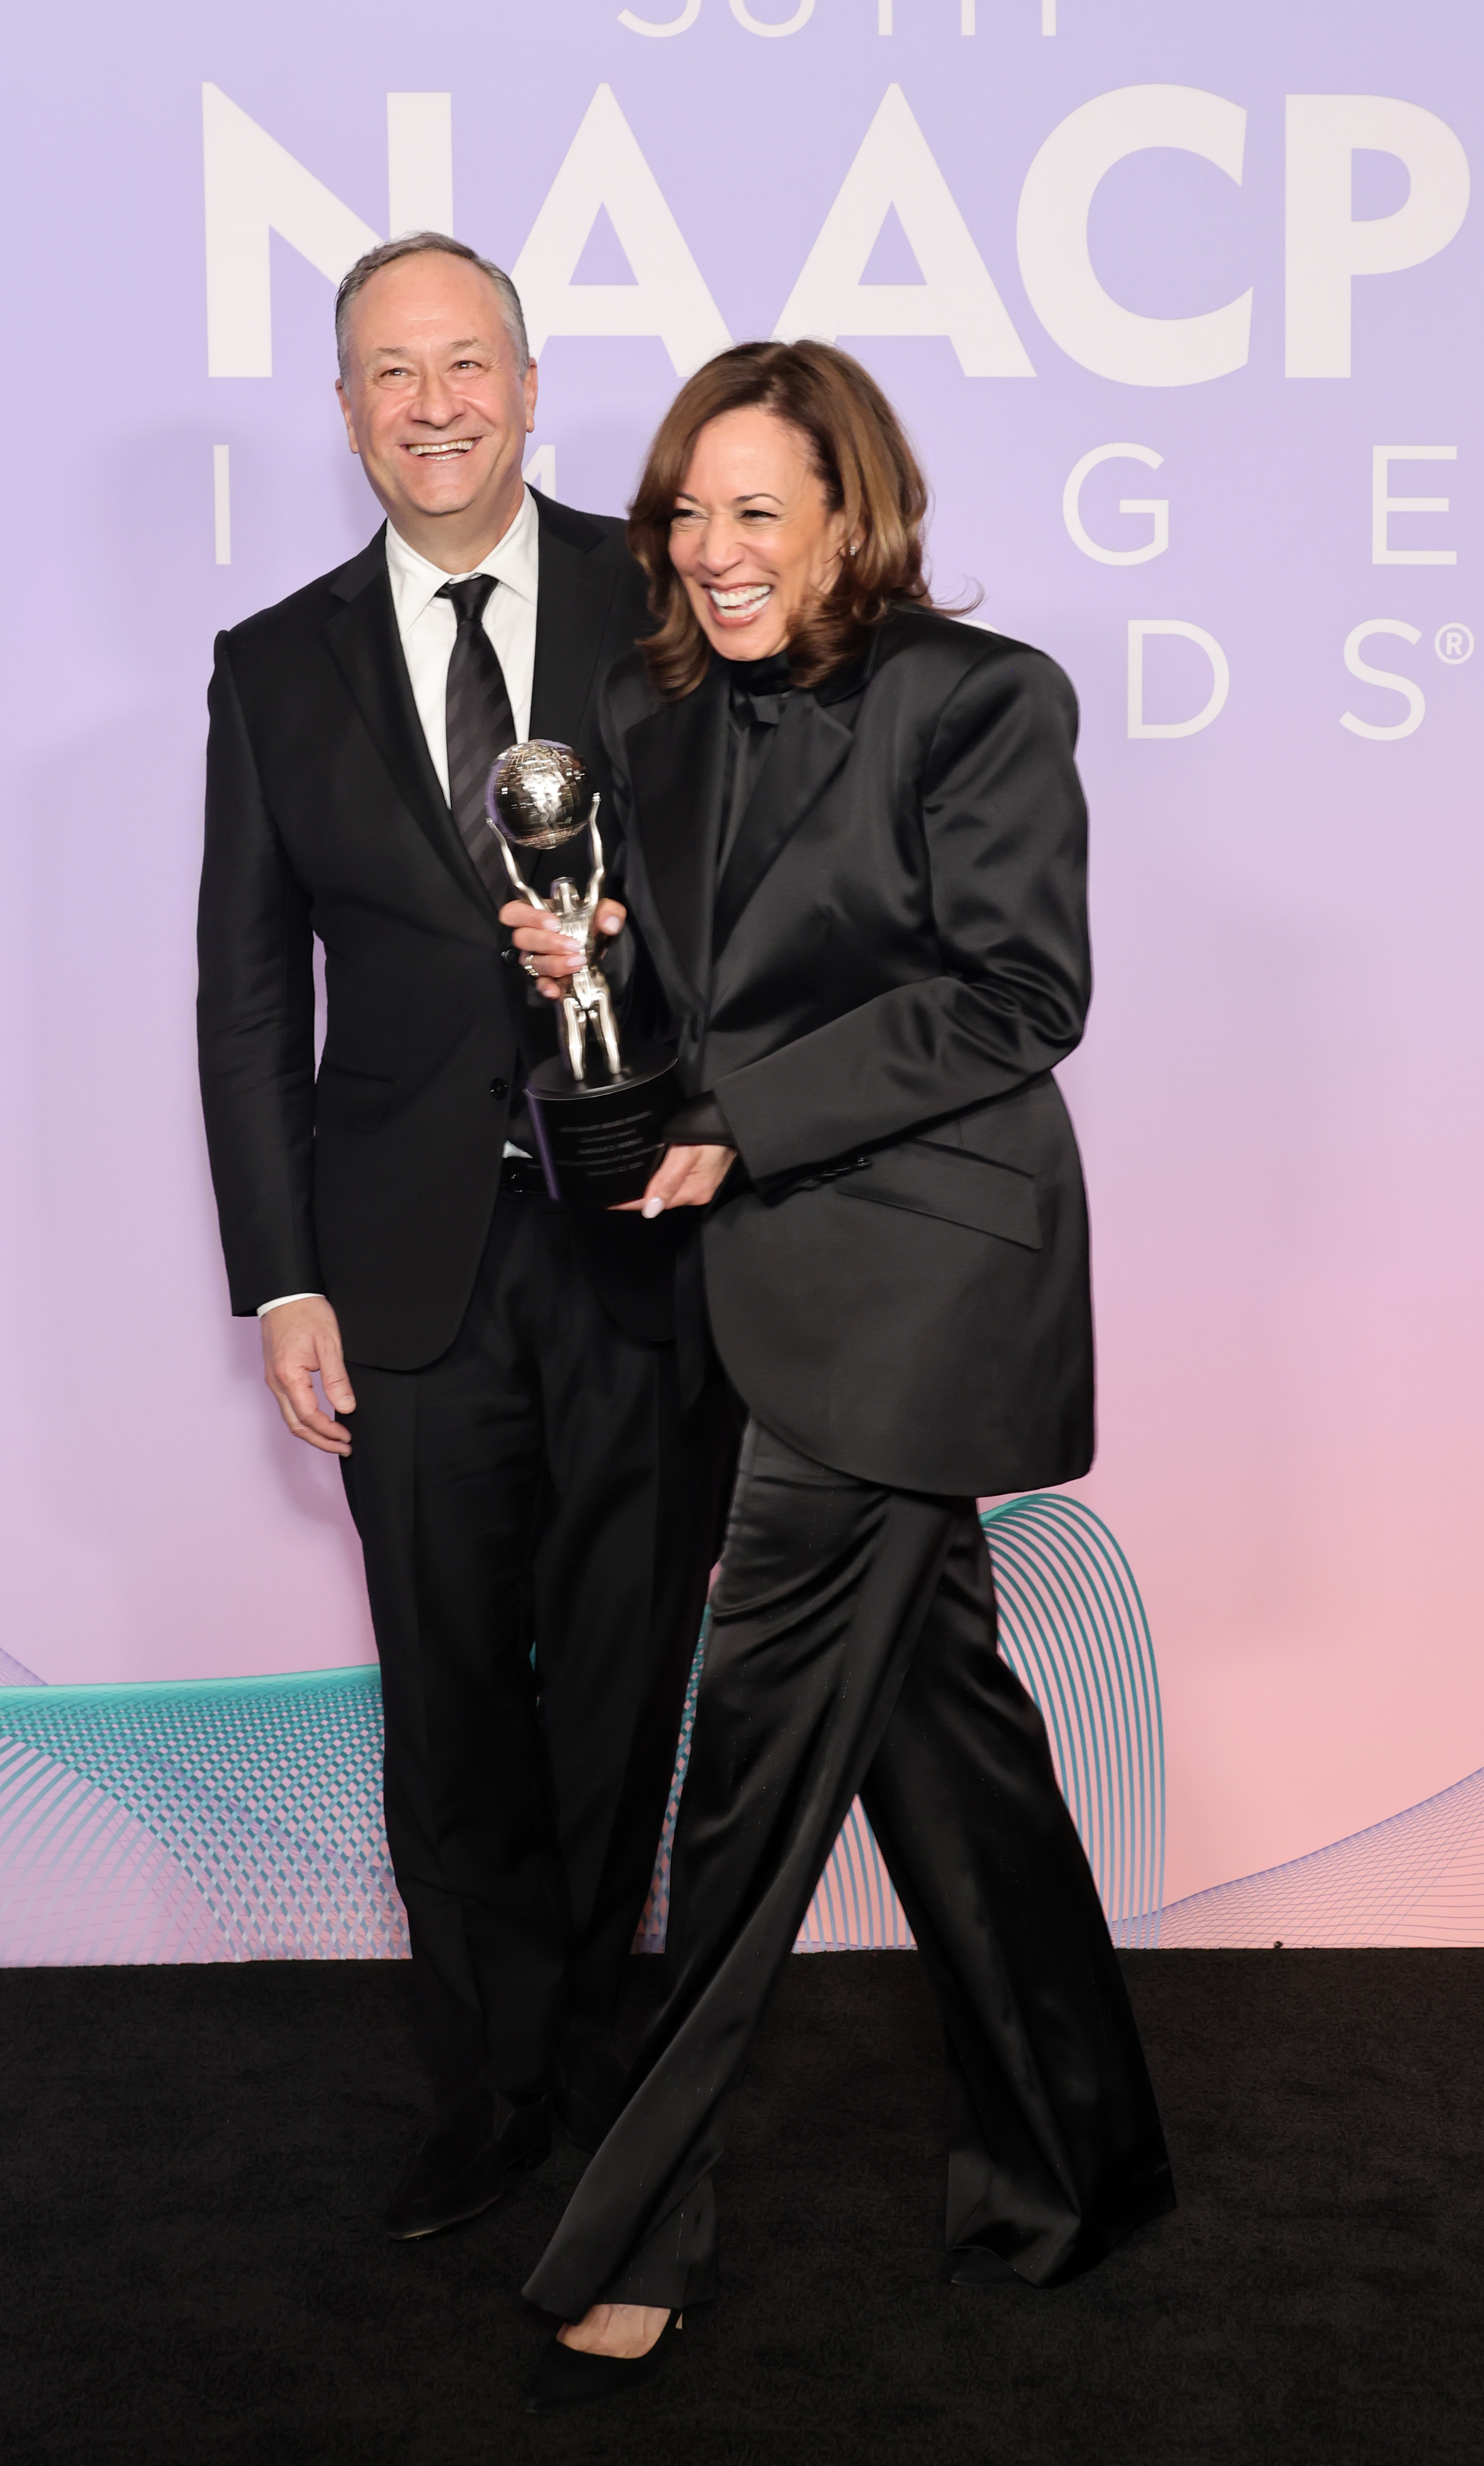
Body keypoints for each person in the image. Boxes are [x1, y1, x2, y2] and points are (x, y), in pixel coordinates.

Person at [508, 341, 1175, 2410]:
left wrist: (743, 1123)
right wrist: (589, 967)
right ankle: (1080, 2166)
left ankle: (634, 2231)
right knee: (944, 1749)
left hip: (916, 1295)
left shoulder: (981, 704)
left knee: (751, 1780)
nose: (710, 552)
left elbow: (1013, 995)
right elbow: (671, 997)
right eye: (684, 514)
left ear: (847, 514)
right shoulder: (646, 710)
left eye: (752, 514)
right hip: (750, 1282)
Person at [195, 234, 739, 2245]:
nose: (431, 403)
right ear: (343, 409)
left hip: (639, 1246)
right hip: (401, 1273)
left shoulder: (664, 598)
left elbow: (753, 893)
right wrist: (283, 1271)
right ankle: (487, 2094)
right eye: (386, 373)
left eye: (465, 364)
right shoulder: (273, 666)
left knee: (618, 1688)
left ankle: (611, 2085)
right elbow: (248, 995)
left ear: (527, 384)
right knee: (446, 1709)